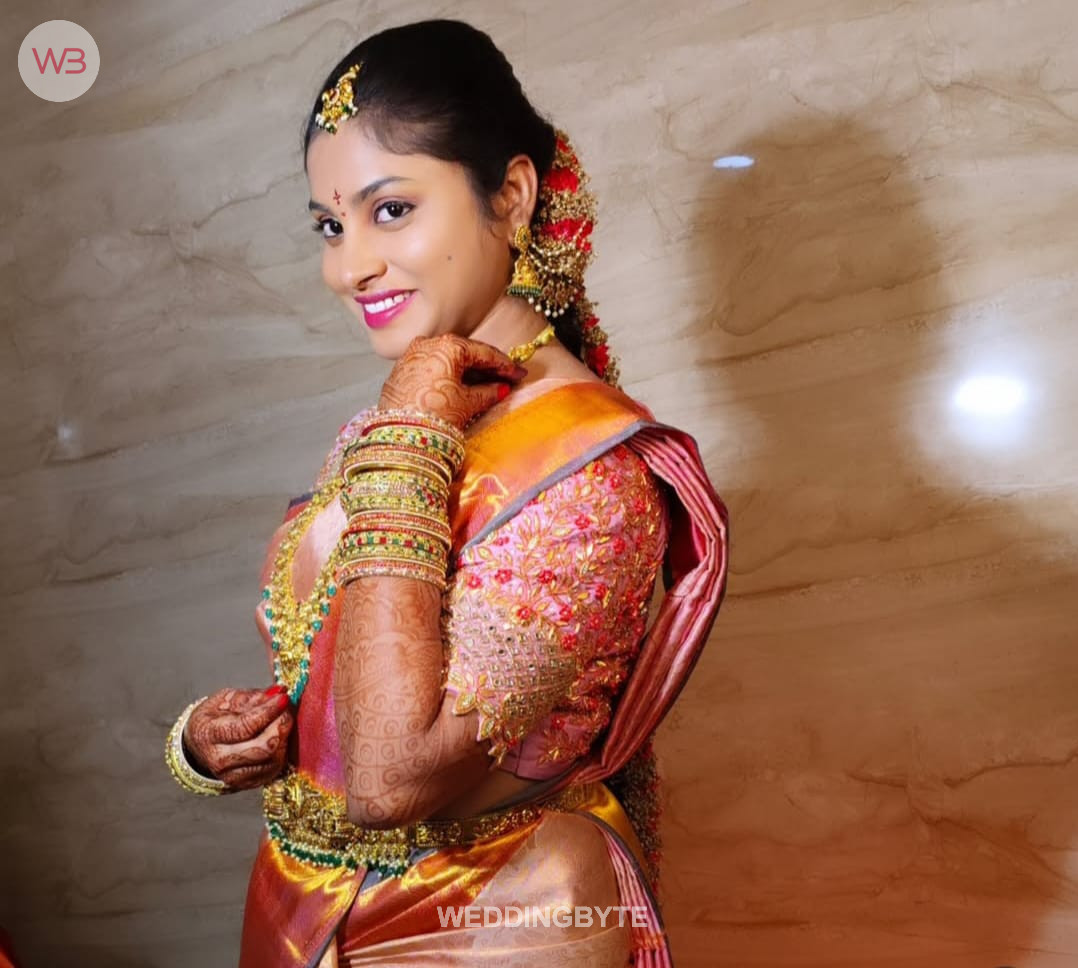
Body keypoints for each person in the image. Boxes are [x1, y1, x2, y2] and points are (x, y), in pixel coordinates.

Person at [164, 19, 729, 968]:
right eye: (330, 226)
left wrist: (408, 440)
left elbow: (390, 778)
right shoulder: (406, 413)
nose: (347, 267)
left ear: (511, 196)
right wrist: (210, 744)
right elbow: (329, 678)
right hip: (304, 912)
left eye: (390, 211)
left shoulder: (589, 473)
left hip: (496, 921)